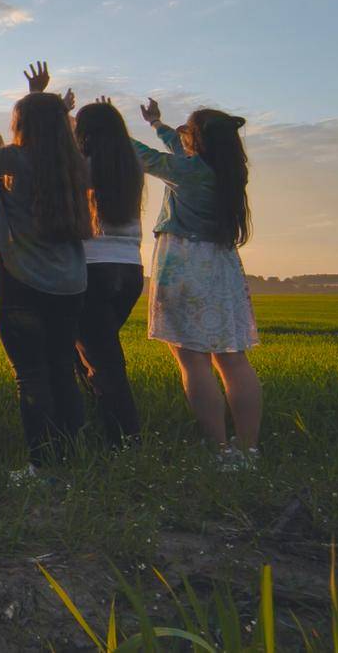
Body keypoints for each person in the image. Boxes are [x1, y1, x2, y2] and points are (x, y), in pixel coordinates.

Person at [0, 62, 93, 474]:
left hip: (21, 282)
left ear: (21, 125)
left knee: (31, 375)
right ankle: (73, 458)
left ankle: (41, 466)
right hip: (71, 284)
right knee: (63, 368)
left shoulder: (16, 159)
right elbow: (51, 136)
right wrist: (49, 103)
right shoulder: (77, 164)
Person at [134, 99, 261, 463]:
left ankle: (219, 449)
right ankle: (249, 450)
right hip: (221, 265)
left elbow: (144, 157)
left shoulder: (188, 171)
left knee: (192, 359)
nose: (183, 136)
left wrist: (106, 126)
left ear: (199, 139)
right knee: (233, 358)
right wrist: (157, 123)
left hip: (185, 264)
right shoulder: (229, 170)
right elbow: (179, 147)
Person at [72, 98, 145, 447]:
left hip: (93, 268)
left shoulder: (82, 166)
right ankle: (102, 425)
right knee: (92, 351)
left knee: (103, 360)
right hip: (130, 269)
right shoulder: (131, 165)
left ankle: (125, 439)